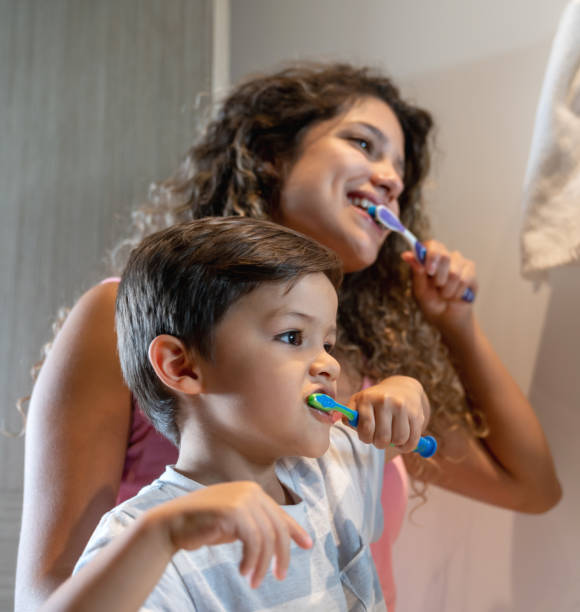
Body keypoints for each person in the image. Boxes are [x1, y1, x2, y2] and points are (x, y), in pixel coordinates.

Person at [16, 62, 561, 612]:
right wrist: (162, 534)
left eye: (400, 170)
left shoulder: (354, 376)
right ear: (268, 155)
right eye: (364, 144)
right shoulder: (128, 316)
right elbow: (50, 593)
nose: (393, 179)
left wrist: (454, 327)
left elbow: (529, 486)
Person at [42, 216, 431, 611]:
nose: (329, 365)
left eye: (327, 343)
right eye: (293, 337)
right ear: (181, 366)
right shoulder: (145, 543)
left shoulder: (331, 472)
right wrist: (160, 537)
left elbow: (401, 426)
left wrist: (407, 390)